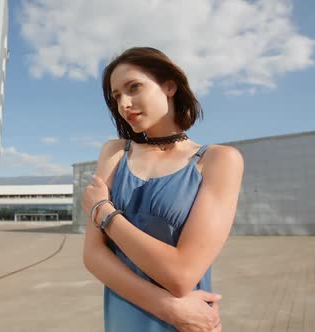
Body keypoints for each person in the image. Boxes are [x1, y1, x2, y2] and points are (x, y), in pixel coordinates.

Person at [82, 47, 244, 332]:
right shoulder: (115, 152)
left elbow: (181, 274)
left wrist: (104, 213)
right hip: (132, 321)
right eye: (117, 96)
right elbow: (93, 255)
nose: (124, 104)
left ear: (169, 85)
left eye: (134, 87)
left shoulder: (218, 160)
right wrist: (169, 307)